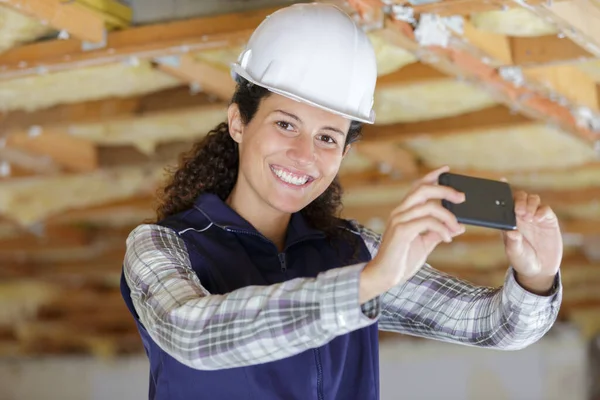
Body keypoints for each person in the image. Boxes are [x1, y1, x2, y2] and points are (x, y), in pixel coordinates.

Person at [120, 3, 563, 400]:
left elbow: (492, 325)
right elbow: (195, 335)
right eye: (286, 125)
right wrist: (367, 284)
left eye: (327, 137)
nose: (305, 155)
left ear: (345, 153)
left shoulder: (351, 251)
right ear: (238, 121)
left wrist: (536, 276)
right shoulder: (161, 245)